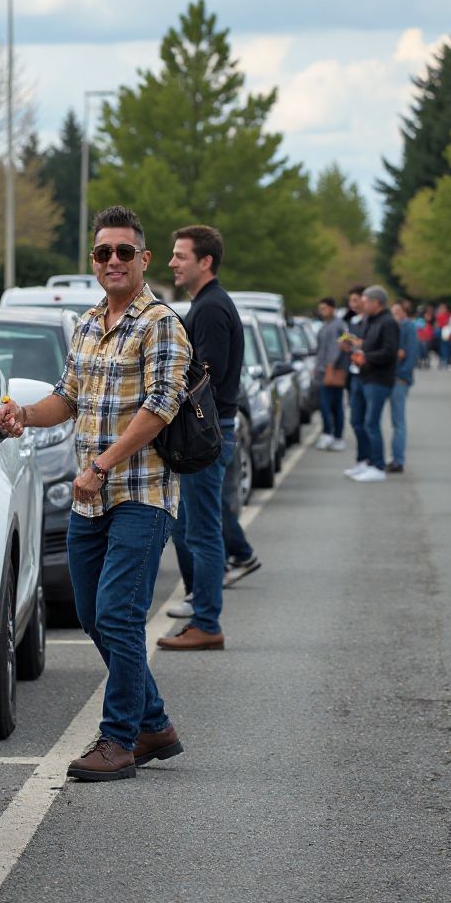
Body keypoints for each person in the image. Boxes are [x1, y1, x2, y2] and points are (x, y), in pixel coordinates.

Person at [0, 205, 190, 782]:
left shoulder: (161, 324)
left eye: (124, 252)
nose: (113, 261)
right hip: (90, 496)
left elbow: (160, 407)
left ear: (143, 259)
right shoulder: (85, 324)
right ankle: (154, 723)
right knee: (91, 614)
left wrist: (102, 464)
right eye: (103, 252)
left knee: (119, 614)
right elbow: (68, 397)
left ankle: (119, 740)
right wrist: (24, 416)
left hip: (140, 493)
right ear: (94, 260)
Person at [158, 225, 244, 652]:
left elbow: (205, 378)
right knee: (189, 527)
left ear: (205, 261)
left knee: (204, 533)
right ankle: (201, 611)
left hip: (208, 435)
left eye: (180, 256)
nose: (172, 263)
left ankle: (207, 623)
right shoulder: (205, 305)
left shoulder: (210, 309)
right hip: (212, 433)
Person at [345, 286, 400, 483]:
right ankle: (365, 461)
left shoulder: (388, 322)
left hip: (378, 379)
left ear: (376, 302)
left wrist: (366, 357)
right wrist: (354, 347)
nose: (363, 304)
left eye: (366, 300)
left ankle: (378, 465)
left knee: (371, 423)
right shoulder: (369, 320)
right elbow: (364, 344)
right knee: (357, 421)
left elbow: (389, 351)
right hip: (363, 377)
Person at [388, 300, 420, 473]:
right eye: (393, 312)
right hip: (391, 377)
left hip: (399, 379)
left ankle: (398, 460)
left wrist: (403, 376)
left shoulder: (408, 328)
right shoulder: (396, 327)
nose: (395, 315)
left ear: (404, 312)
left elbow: (411, 354)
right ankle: (394, 457)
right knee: (394, 420)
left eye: (397, 311)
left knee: (398, 421)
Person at [314, 297, 348, 451]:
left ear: (332, 308)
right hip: (324, 370)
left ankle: (332, 435)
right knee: (331, 405)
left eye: (324, 308)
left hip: (332, 371)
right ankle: (333, 435)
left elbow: (335, 349)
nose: (322, 311)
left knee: (330, 405)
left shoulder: (337, 325)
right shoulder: (326, 325)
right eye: (320, 309)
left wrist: (329, 368)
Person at [342, 287, 368, 470]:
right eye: (350, 300)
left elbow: (366, 344)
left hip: (367, 375)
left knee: (366, 422)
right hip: (353, 373)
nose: (352, 304)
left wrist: (354, 343)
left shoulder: (369, 322)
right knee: (356, 420)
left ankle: (369, 460)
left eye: (355, 300)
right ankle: (361, 459)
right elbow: (350, 345)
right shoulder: (351, 320)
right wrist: (347, 344)